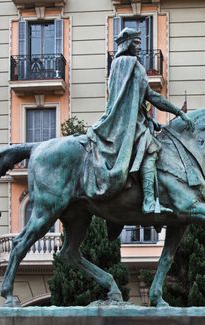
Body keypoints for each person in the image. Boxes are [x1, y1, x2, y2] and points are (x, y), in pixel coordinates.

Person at [82, 27, 194, 213]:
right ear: (127, 44)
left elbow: (131, 99)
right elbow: (151, 96)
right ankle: (149, 201)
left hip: (118, 122)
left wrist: (149, 120)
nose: (139, 47)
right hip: (129, 126)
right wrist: (178, 112)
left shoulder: (117, 65)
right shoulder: (134, 64)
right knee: (150, 150)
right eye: (136, 43)